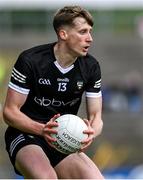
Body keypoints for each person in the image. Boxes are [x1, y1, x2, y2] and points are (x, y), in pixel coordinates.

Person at [3, 5, 104, 179]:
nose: (90, 38)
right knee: (47, 177)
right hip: (26, 134)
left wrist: (90, 133)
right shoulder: (31, 60)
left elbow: (96, 117)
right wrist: (43, 130)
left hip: (62, 140)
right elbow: (9, 112)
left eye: (90, 32)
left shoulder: (91, 67)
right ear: (63, 34)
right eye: (83, 32)